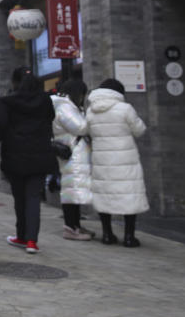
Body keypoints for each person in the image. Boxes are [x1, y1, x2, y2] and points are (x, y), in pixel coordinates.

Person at [86, 78, 149, 247]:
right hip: (124, 160)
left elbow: (87, 131)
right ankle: (129, 237)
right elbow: (140, 130)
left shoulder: (91, 110)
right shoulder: (125, 109)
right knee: (128, 195)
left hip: (102, 160)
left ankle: (107, 234)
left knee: (104, 194)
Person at [0, 66, 56, 255]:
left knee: (20, 198)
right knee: (33, 198)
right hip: (40, 156)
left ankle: (21, 235)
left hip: (15, 156)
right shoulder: (45, 101)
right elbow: (51, 120)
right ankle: (32, 240)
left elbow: (2, 125)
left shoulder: (9, 101)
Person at [51, 79, 94, 241]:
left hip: (73, 152)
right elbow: (81, 127)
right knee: (71, 190)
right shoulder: (65, 107)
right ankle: (70, 228)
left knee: (74, 189)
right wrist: (89, 116)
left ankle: (75, 225)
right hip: (73, 153)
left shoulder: (63, 105)